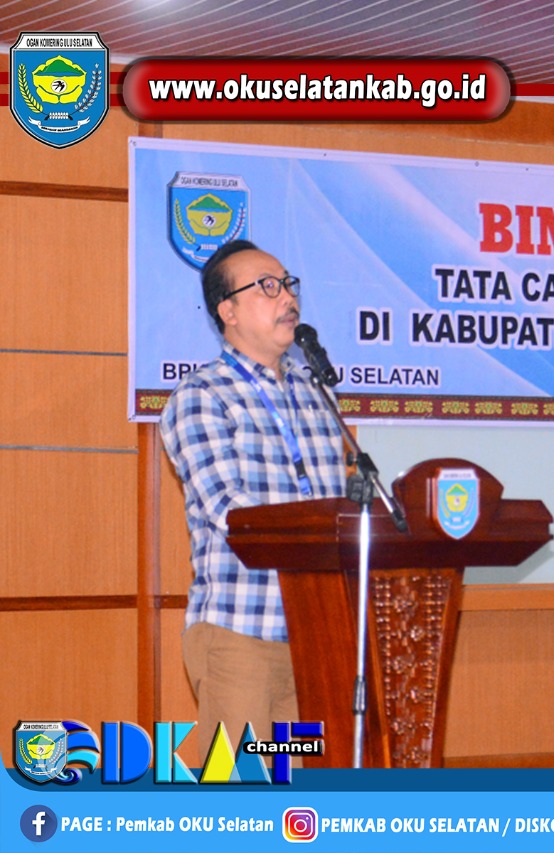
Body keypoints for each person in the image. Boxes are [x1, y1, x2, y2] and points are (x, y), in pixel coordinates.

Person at [160, 239, 346, 760]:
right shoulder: (202, 396)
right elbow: (232, 511)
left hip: (316, 634)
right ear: (229, 311)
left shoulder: (316, 396)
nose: (287, 296)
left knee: (300, 784)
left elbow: (336, 503)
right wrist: (314, 537)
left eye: (287, 284)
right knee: (241, 783)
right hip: (242, 632)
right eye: (267, 287)